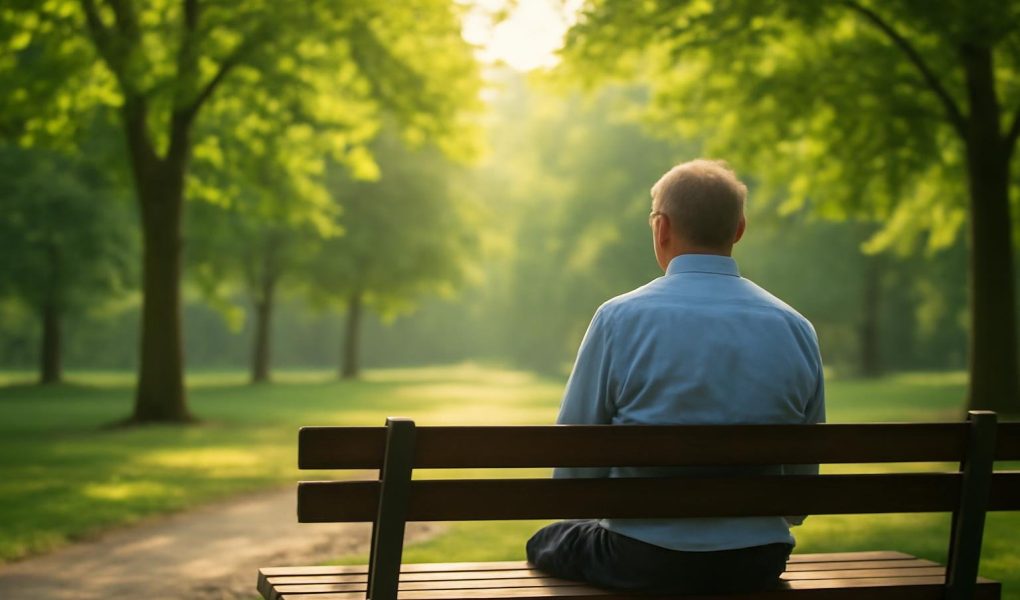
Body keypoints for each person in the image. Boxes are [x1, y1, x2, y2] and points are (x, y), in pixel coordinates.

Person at [526, 159, 826, 595]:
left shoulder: (618, 319)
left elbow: (574, 467)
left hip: (642, 557)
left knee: (546, 541)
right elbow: (799, 493)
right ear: (739, 229)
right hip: (756, 561)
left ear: (661, 227)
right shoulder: (795, 327)